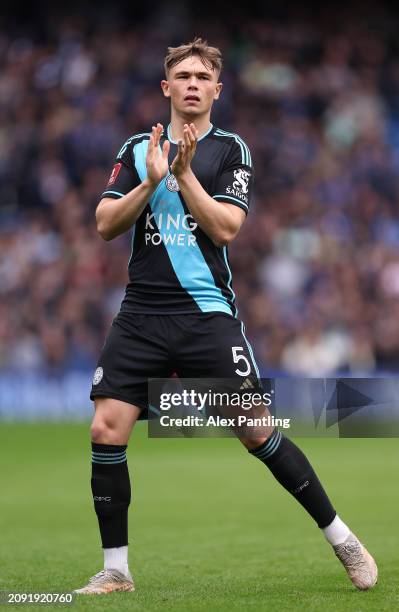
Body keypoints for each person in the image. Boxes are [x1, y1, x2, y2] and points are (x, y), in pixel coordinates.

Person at [74, 38, 377, 595]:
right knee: (105, 426)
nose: (192, 83)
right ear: (166, 87)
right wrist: (150, 179)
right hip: (140, 313)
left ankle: (343, 539)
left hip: (206, 316)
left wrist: (184, 175)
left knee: (256, 429)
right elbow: (104, 224)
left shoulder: (231, 150)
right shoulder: (139, 147)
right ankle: (116, 569)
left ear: (217, 89)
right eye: (182, 75)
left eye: (202, 76)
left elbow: (226, 229)